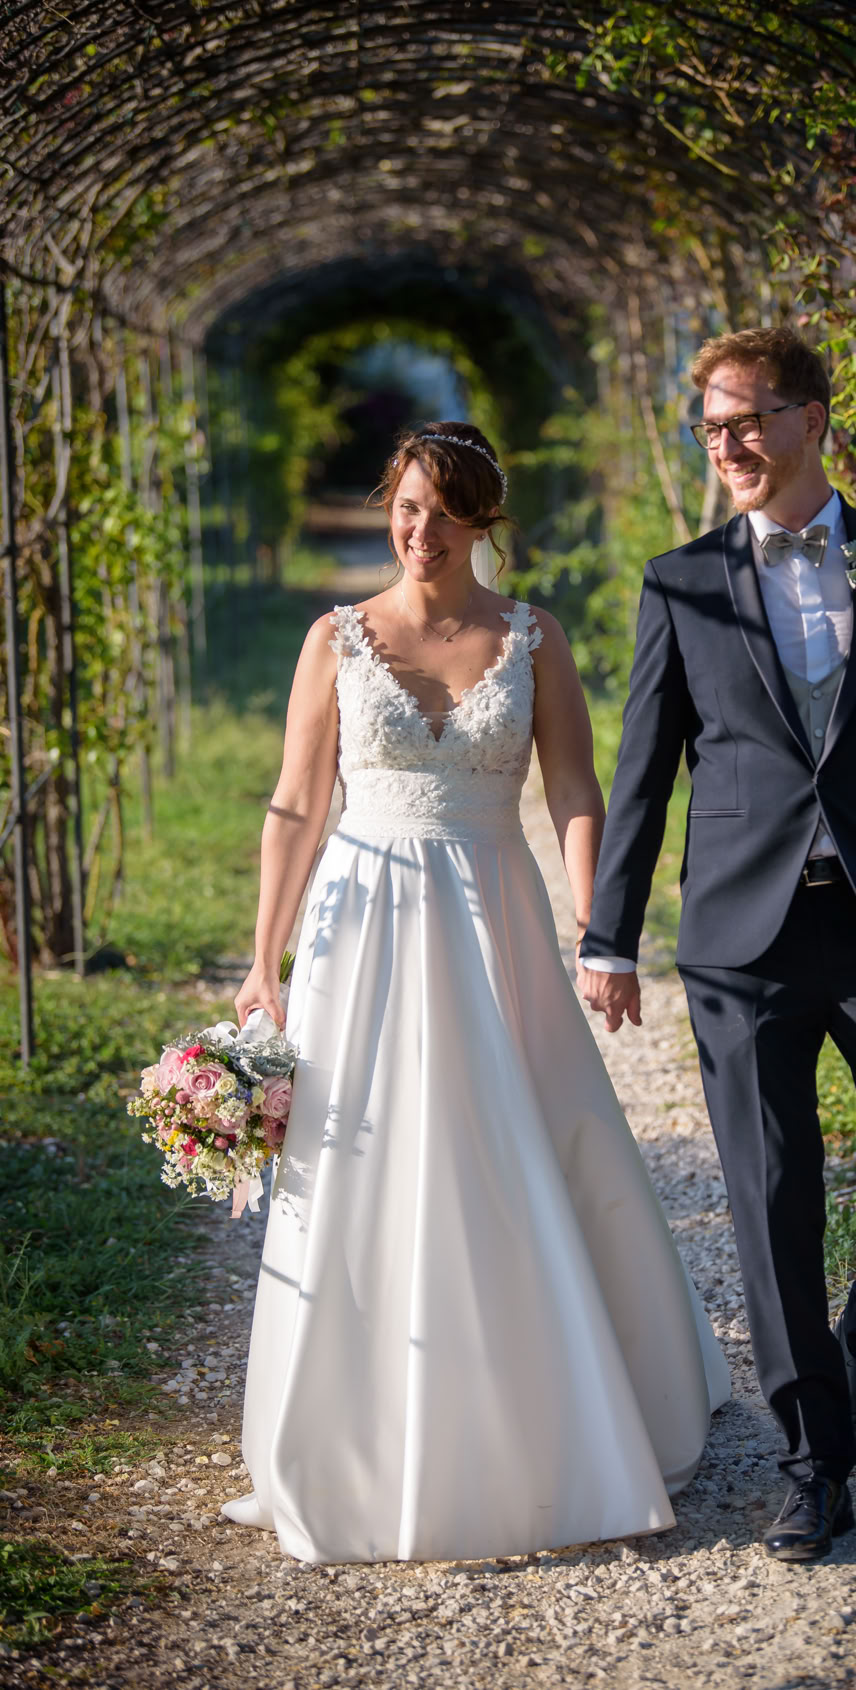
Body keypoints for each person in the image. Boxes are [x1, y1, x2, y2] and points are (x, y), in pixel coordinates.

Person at [220, 421, 730, 1565]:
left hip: (492, 911)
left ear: (484, 523)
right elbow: (297, 807)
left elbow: (577, 789)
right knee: (363, 1159)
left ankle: (557, 1412)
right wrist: (266, 959)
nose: (420, 532)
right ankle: (357, 1430)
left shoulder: (534, 640)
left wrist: (604, 929)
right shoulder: (335, 638)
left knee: (523, 1142)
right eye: (405, 509)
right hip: (362, 926)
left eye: (445, 514)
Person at [579, 328, 856, 1564]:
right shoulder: (683, 582)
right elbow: (644, 773)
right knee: (773, 1203)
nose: (729, 448)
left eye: (749, 422)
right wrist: (610, 932)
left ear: (814, 419)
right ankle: (810, 1461)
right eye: (711, 431)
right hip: (739, 936)